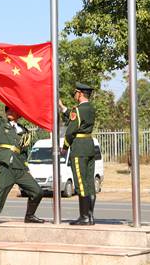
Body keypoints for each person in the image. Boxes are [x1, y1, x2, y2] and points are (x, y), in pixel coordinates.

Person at [0, 92, 45, 244]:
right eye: (7, 109)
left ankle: (29, 216)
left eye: (12, 109)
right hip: (6, 167)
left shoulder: (25, 131)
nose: (9, 111)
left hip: (20, 168)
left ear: (18, 114)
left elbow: (24, 153)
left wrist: (26, 168)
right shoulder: (0, 124)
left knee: (37, 192)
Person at [59, 82, 96, 225]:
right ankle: (90, 217)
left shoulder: (78, 109)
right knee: (89, 183)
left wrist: (65, 147)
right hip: (89, 145)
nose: (74, 95)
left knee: (80, 183)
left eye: (75, 93)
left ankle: (84, 217)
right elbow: (77, 117)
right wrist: (63, 109)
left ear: (80, 94)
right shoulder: (90, 108)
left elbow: (70, 131)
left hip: (79, 147)